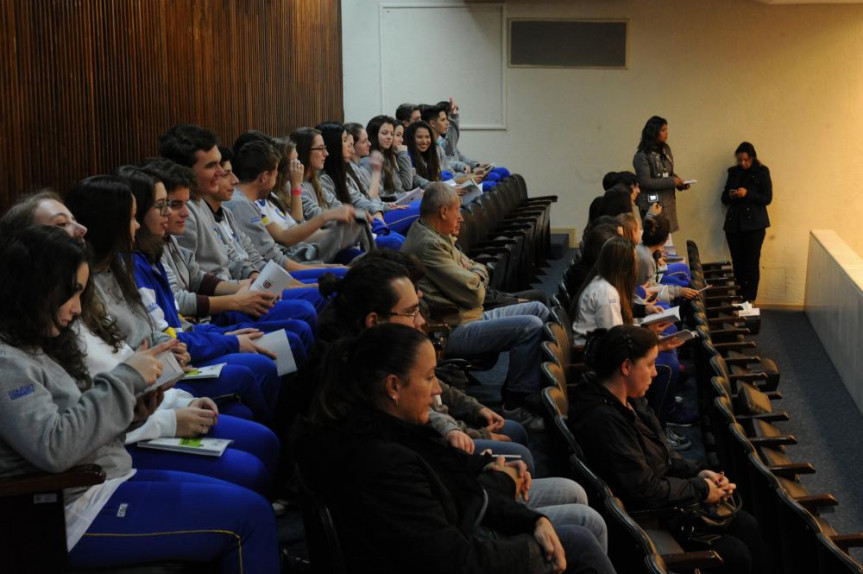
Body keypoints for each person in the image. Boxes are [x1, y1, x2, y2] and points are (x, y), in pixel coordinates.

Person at [0, 225, 280, 572]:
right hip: (64, 514)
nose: (75, 309)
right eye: (69, 293)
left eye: (81, 295)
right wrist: (126, 378)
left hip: (104, 478)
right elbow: (54, 446)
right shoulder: (7, 362)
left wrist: (133, 413)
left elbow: (80, 421)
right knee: (248, 519)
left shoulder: (39, 342)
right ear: (32, 287)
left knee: (248, 497)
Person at [295, 323, 615, 574]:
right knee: (580, 541)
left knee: (575, 530)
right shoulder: (380, 461)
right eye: (430, 377)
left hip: (458, 533)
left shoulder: (391, 427)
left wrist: (531, 521)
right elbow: (453, 559)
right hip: (451, 554)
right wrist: (530, 547)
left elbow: (455, 483)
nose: (437, 390)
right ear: (393, 386)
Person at [571, 325, 763, 574]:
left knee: (747, 524)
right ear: (626, 367)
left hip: (662, 495)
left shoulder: (630, 400)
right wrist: (701, 489)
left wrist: (700, 472)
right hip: (649, 514)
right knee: (736, 554)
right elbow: (643, 489)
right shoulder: (604, 421)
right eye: (650, 364)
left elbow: (661, 452)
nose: (654, 373)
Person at [401, 183, 551, 429]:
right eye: (457, 210)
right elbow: (473, 292)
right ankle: (514, 403)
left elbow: (475, 269)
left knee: (539, 308)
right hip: (453, 328)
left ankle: (529, 387)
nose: (460, 217)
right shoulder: (428, 244)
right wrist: (476, 275)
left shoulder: (437, 234)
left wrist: (475, 274)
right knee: (531, 326)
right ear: (442, 212)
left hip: (471, 314)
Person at [571, 236, 693, 448]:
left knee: (664, 349)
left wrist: (648, 328)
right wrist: (650, 336)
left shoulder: (606, 284)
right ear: (624, 265)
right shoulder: (605, 293)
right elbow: (615, 340)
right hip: (595, 359)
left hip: (602, 349)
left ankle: (661, 409)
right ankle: (661, 426)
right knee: (667, 366)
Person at [316, 121, 406, 249]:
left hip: (369, 218)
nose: (350, 149)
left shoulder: (344, 171)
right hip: (356, 229)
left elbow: (361, 198)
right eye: (346, 141)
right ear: (333, 144)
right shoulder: (325, 178)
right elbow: (344, 208)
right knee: (397, 241)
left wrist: (384, 206)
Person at [721, 141, 772, 303]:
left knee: (751, 263)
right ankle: (739, 295)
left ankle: (750, 299)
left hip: (754, 225)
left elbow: (767, 198)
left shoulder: (762, 172)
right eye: (740, 160)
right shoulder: (733, 172)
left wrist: (747, 193)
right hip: (734, 225)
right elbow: (723, 198)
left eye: (746, 160)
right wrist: (732, 195)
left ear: (752, 158)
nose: (743, 163)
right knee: (737, 263)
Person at [633, 116, 690, 233]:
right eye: (663, 130)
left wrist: (679, 183)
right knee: (655, 237)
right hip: (652, 204)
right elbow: (645, 181)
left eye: (666, 130)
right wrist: (671, 181)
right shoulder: (641, 155)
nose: (667, 133)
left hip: (668, 202)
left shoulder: (666, 150)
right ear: (654, 132)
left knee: (667, 241)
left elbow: (667, 172)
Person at [360, 115, 414, 200]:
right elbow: (381, 196)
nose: (389, 137)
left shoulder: (389, 158)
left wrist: (409, 195)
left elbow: (403, 187)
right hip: (386, 206)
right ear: (374, 135)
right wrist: (406, 196)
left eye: (392, 134)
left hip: (398, 201)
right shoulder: (367, 161)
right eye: (384, 133)